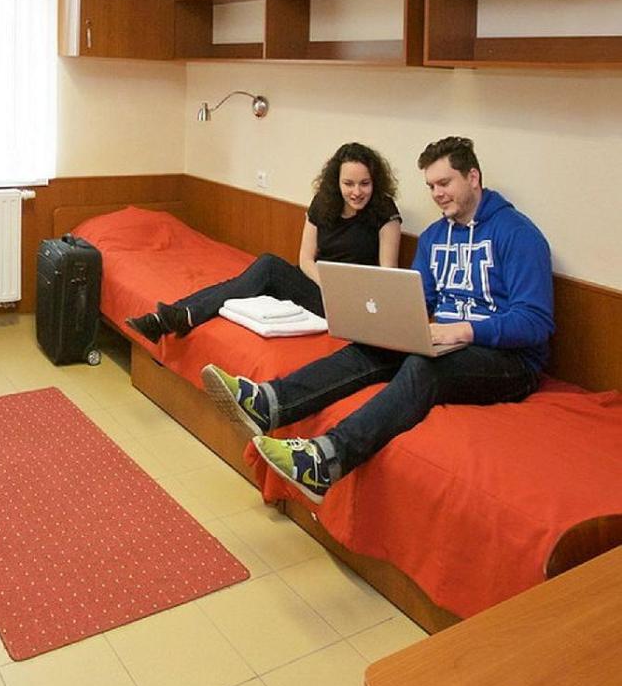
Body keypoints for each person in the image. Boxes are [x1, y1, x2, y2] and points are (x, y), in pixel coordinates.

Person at [202, 136, 553, 503]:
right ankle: (269, 402)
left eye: (445, 183)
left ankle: (326, 460)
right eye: (431, 186)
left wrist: (462, 331)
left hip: (509, 360)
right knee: (369, 348)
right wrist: (390, 325)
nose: (437, 194)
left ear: (473, 177)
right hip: (448, 342)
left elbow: (535, 322)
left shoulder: (517, 234)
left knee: (423, 367)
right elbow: (417, 300)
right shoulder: (434, 237)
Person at [127, 142, 402, 343]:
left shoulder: (384, 211)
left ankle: (177, 317)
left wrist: (343, 291)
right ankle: (174, 316)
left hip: (352, 300)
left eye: (364, 184)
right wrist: (326, 282)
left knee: (267, 268)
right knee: (254, 274)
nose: (356, 192)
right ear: (337, 182)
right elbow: (306, 258)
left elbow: (386, 274)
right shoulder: (324, 203)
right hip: (318, 282)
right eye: (349, 183)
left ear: (375, 183)